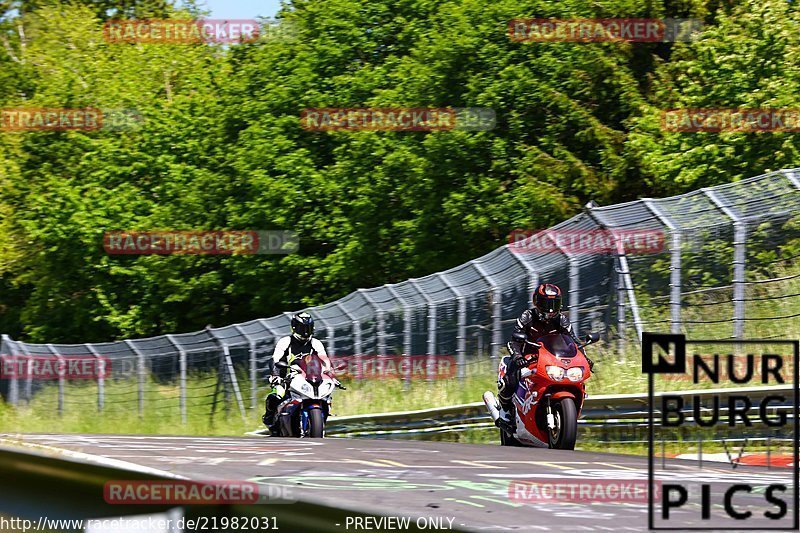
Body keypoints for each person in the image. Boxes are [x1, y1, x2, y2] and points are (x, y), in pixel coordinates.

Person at [495, 283, 593, 434]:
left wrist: (585, 358)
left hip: (552, 358)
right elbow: (514, 340)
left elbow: (574, 341)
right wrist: (517, 356)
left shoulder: (562, 320)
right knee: (511, 379)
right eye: (546, 303)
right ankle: (506, 412)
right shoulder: (527, 316)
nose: (550, 309)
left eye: (554, 304)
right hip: (528, 357)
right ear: (536, 302)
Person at [262, 312, 332, 427]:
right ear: (294, 327)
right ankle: (269, 418)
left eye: (308, 328)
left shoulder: (316, 343)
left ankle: (321, 417)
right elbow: (275, 359)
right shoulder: (285, 342)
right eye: (302, 328)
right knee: (276, 395)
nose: (305, 331)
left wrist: (328, 372)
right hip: (287, 379)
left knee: (326, 396)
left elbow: (325, 360)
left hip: (311, 377)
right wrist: (276, 375)